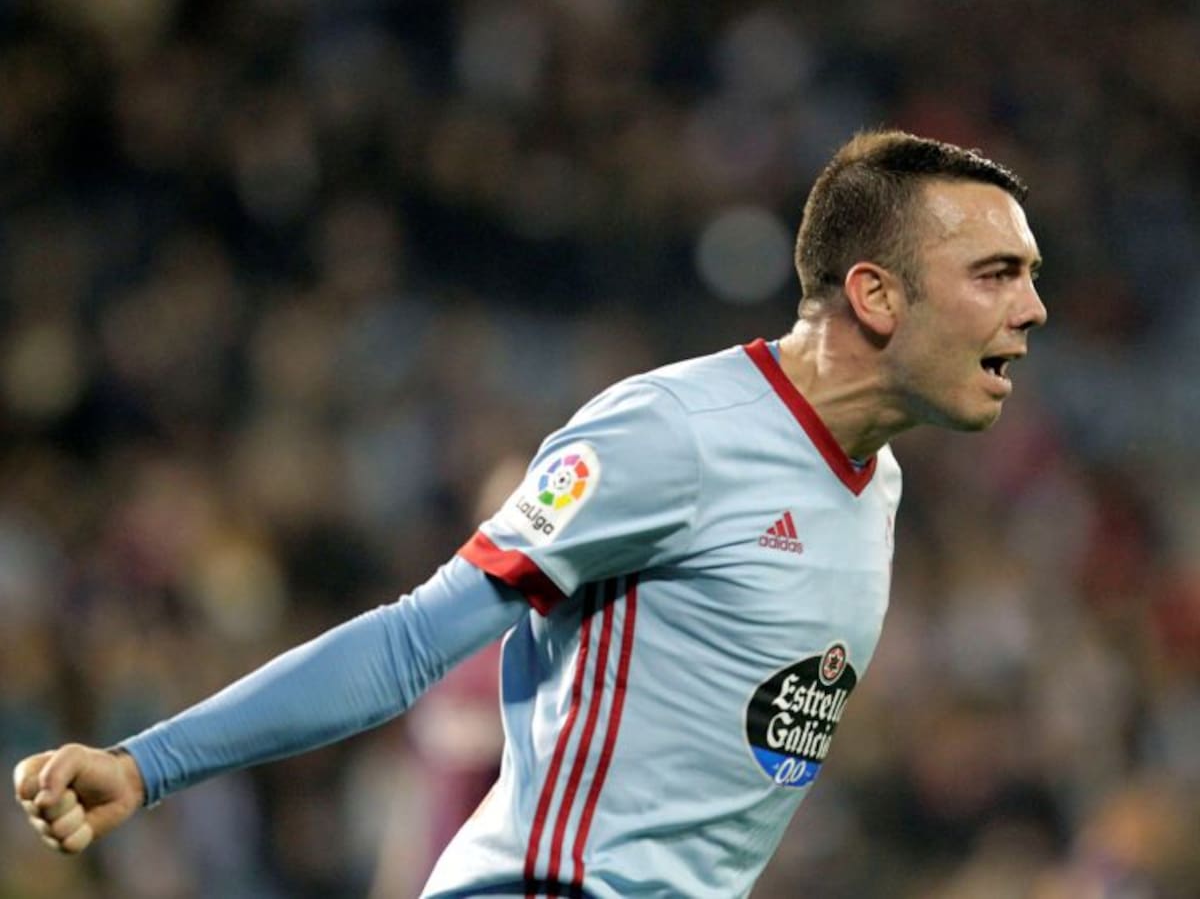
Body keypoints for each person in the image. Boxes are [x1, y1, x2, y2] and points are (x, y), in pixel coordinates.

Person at [12, 129, 1046, 898]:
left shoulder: (877, 484)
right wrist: (147, 764)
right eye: (995, 275)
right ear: (875, 294)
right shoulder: (672, 435)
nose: (1032, 308)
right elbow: (412, 643)